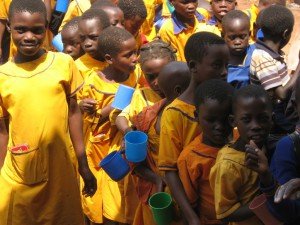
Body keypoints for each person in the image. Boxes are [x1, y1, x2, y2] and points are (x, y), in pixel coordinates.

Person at [0, 0, 96, 224]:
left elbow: (74, 113)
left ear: (46, 28)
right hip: (19, 170)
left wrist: (82, 162)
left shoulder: (62, 63)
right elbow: (2, 131)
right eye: (20, 30)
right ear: (9, 28)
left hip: (61, 166)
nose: (29, 37)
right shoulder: (3, 76)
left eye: (37, 30)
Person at [158, 32, 229, 225]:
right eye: (216, 65)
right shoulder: (175, 113)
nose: (224, 72)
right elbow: (169, 170)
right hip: (190, 205)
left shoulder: (227, 101)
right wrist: (191, 217)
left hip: (221, 199)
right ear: (192, 66)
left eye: (226, 66)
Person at [78, 26, 140, 225]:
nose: (135, 58)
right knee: (100, 200)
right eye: (128, 55)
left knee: (122, 199)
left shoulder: (137, 73)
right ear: (110, 58)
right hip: (100, 149)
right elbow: (88, 122)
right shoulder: (93, 84)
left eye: (136, 52)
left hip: (124, 142)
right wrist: (116, 103)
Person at [132, 61, 191, 225]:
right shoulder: (150, 115)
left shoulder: (199, 115)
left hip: (186, 192)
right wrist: (157, 180)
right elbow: (135, 158)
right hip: (160, 195)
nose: (155, 83)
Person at [210, 84, 273, 225]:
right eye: (246, 119)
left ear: (272, 119)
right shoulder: (228, 165)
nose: (256, 126)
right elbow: (225, 214)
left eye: (263, 119)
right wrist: (269, 198)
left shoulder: (269, 144)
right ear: (233, 121)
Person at [178, 79, 234, 225]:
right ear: (196, 116)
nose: (219, 127)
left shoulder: (241, 141)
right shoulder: (190, 158)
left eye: (226, 120)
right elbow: (189, 203)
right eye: (211, 120)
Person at [250, 5, 300, 149]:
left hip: (279, 115)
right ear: (285, 34)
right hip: (274, 121)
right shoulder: (262, 57)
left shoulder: (271, 53)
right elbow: (281, 94)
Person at [115, 39, 177, 136]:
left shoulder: (184, 94)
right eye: (150, 77)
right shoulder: (141, 95)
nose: (156, 82)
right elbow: (121, 117)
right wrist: (129, 132)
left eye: (162, 75)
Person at [222, 10, 255, 89]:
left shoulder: (256, 54)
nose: (237, 42)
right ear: (223, 35)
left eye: (242, 37)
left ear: (249, 34)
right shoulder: (220, 62)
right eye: (232, 38)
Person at [75, 8, 110, 78]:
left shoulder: (119, 60)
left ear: (107, 33)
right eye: (82, 38)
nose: (87, 43)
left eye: (93, 37)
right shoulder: (77, 68)